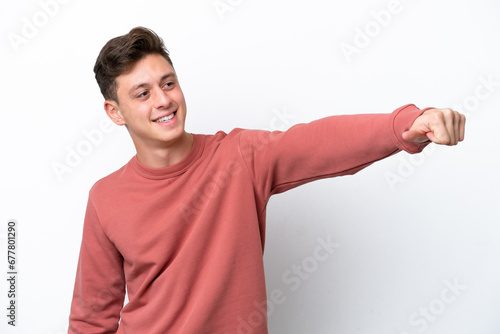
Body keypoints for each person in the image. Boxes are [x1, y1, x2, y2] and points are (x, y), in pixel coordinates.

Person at [68, 26, 465, 334]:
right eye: (142, 93)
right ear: (115, 112)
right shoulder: (106, 198)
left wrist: (407, 125)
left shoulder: (237, 158)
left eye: (168, 83)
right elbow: (91, 319)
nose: (163, 100)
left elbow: (315, 142)